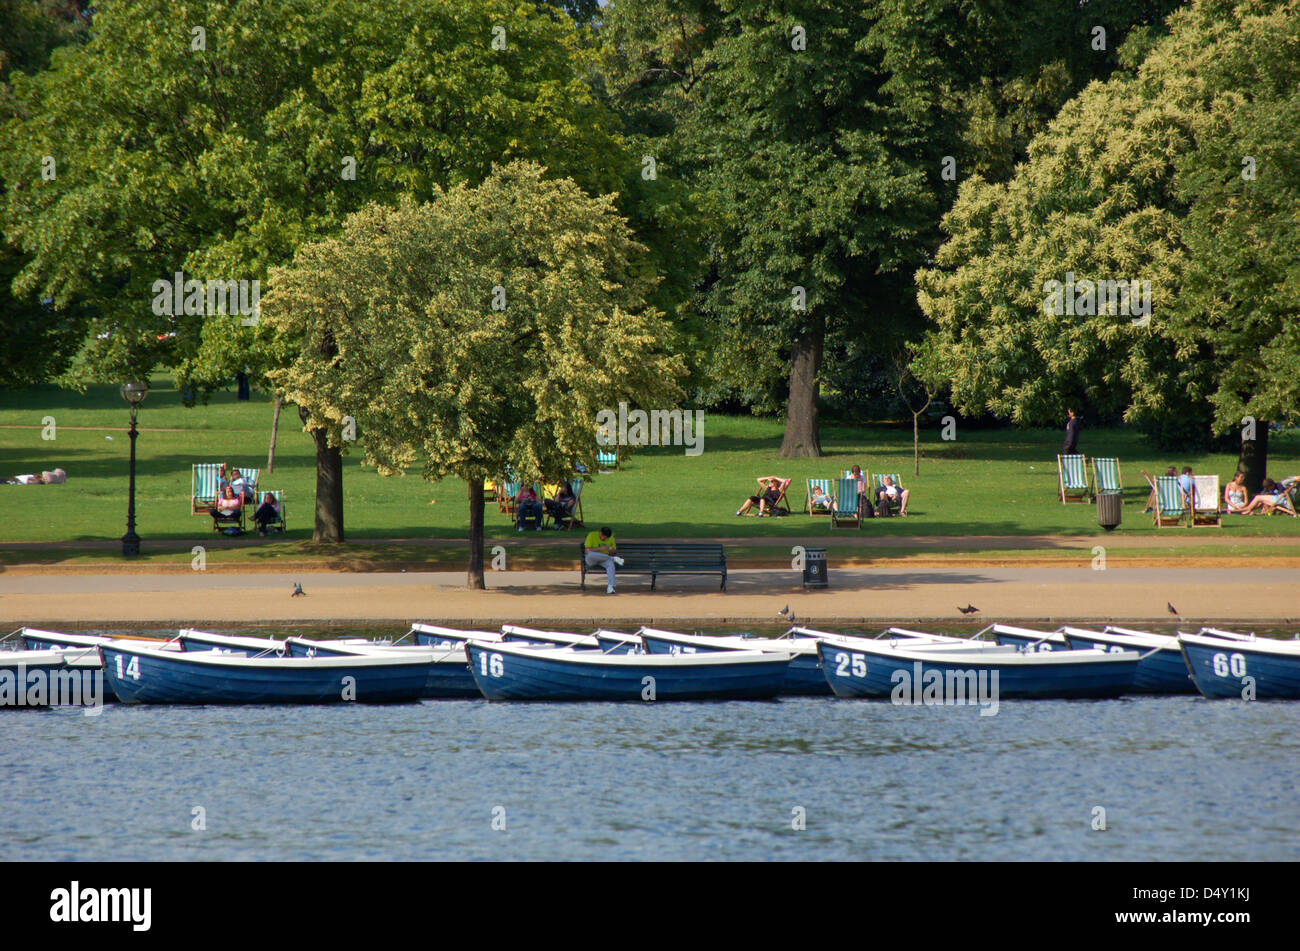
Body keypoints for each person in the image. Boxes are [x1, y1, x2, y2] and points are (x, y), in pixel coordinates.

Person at [584, 526, 622, 594]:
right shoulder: (592, 535)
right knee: (589, 554)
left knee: (610, 564)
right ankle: (613, 559)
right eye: (604, 537)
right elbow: (587, 551)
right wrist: (600, 549)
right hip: (592, 559)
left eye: (607, 538)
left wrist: (610, 549)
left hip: (604, 559)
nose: (605, 539)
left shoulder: (611, 537)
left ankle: (610, 587)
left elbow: (614, 551)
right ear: (600, 533)